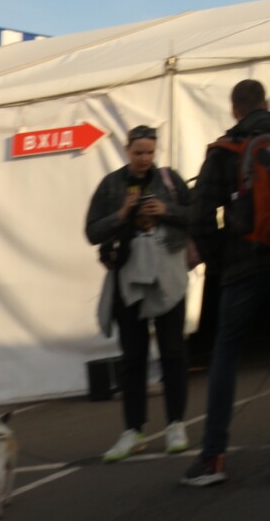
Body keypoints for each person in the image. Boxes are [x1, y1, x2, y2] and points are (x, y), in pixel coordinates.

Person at [181, 78, 270, 488]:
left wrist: (220, 261)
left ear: (235, 109)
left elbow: (201, 214)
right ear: (266, 102)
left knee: (227, 354)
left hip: (245, 262)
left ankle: (213, 459)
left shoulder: (225, 149)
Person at [83, 124, 192, 462]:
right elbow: (91, 231)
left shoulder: (169, 178)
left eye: (149, 152)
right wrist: (122, 213)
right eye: (138, 152)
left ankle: (176, 424)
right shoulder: (112, 184)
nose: (144, 159)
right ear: (127, 151)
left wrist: (166, 211)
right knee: (133, 357)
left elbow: (197, 216)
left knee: (173, 351)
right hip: (128, 275)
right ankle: (134, 430)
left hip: (167, 271)